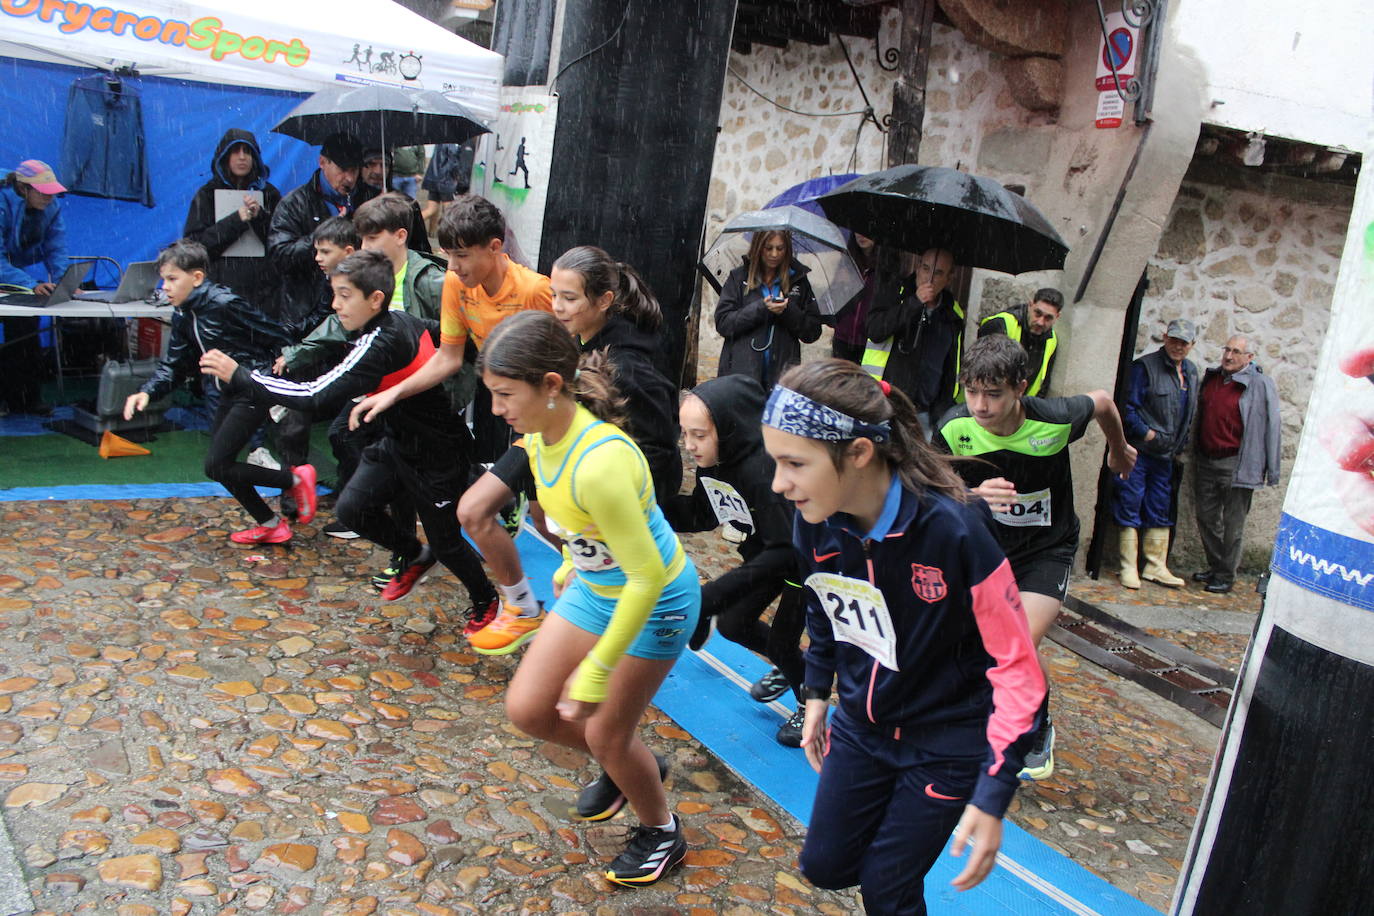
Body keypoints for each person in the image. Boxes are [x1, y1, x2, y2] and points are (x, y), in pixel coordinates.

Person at [761, 358, 1045, 914]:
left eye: (794, 462)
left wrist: (992, 797)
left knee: (886, 887)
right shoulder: (813, 516)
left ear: (860, 453)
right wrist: (817, 691)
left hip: (945, 744)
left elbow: (1019, 671)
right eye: (775, 461)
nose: (778, 483)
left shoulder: (956, 529)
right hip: (864, 728)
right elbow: (822, 602)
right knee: (823, 867)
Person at [480, 310, 700, 887]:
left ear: (552, 386)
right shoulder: (538, 438)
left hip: (656, 600)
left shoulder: (600, 460)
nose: (498, 408)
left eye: (505, 394)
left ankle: (661, 830)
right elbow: (584, 530)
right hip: (599, 588)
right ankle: (634, 767)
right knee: (528, 709)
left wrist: (599, 669)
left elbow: (647, 577)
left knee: (604, 730)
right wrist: (572, 563)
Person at [199, 250, 500, 624]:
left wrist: (242, 376)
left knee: (447, 543)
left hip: (438, 455)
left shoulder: (381, 341)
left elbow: (315, 395)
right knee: (351, 510)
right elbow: (444, 335)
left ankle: (486, 599)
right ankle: (414, 554)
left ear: (375, 299)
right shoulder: (397, 322)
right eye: (334, 294)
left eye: (344, 295)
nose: (334, 304)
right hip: (397, 443)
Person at [460, 246, 681, 654]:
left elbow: (658, 451)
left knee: (538, 518)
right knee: (481, 511)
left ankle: (599, 600)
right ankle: (528, 606)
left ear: (604, 301)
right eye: (555, 294)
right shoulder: (578, 338)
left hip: (587, 460)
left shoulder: (630, 365)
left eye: (569, 297)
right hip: (545, 439)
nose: (557, 307)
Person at [936, 335, 1135, 780]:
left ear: (1019, 388)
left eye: (993, 394)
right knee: (976, 644)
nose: (980, 405)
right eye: (972, 391)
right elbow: (928, 486)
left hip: (1047, 549)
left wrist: (1118, 449)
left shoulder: (1056, 420)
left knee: (1016, 643)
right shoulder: (954, 428)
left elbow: (1102, 401)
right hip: (989, 551)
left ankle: (1036, 726)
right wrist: (970, 494)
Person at [123, 240, 309, 544]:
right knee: (217, 467)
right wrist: (147, 391)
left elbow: (275, 333)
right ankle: (272, 522)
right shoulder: (183, 314)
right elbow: (174, 365)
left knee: (218, 464)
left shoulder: (224, 303)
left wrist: (266, 374)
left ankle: (294, 480)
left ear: (196, 278)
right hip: (226, 391)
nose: (165, 287)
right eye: (163, 280)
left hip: (252, 387)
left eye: (172, 279)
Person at [350, 194, 552, 465]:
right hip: (494, 399)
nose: (453, 267)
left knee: (531, 496)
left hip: (539, 408)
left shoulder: (534, 290)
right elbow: (448, 358)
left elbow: (564, 363)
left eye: (462, 255)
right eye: (449, 256)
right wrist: (393, 393)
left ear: (495, 247)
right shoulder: (456, 283)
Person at [665, 374, 808, 747]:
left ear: (729, 429)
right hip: (767, 553)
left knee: (781, 641)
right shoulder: (715, 463)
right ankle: (797, 666)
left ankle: (810, 700)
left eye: (699, 435)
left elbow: (787, 549)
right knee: (733, 625)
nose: (689, 445)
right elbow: (703, 513)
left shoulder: (763, 472)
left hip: (805, 565)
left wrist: (713, 594)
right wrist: (649, 509)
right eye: (685, 433)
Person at [1192, 334, 1281, 594]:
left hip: (1237, 463)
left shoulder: (1261, 384)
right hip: (1207, 460)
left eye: (1236, 352)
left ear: (1249, 357)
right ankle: (1217, 565)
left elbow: (1273, 427)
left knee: (1233, 525)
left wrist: (1271, 470)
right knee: (1207, 518)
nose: (1229, 356)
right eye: (1227, 349)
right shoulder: (1214, 377)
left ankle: (1225, 575)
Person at [1115, 318, 1200, 589]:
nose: (1178, 346)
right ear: (1165, 337)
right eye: (1174, 340)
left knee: (1160, 507)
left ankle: (1155, 565)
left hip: (1166, 456)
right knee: (1130, 502)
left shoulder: (1191, 371)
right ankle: (1128, 566)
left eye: (1183, 343)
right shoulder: (1145, 367)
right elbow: (1127, 408)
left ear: (1191, 345)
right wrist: (1146, 433)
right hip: (1140, 453)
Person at [862, 247, 964, 439]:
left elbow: (952, 366)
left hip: (924, 413)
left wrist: (943, 411)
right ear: (917, 267)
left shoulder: (953, 313)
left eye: (939, 273)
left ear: (949, 278)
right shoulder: (896, 291)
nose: (930, 278)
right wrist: (914, 302)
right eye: (926, 268)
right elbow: (875, 330)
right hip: (885, 402)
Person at [268, 132, 365, 328]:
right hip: (304, 313)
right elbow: (280, 256)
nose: (349, 178)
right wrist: (325, 236)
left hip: (356, 310)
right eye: (342, 169)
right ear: (322, 162)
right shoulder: (294, 203)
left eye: (354, 171)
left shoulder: (367, 200)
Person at [182, 129, 282, 313]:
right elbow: (194, 247)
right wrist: (236, 221)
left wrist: (260, 217)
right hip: (220, 293)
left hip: (263, 296)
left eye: (247, 151)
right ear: (225, 156)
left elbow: (280, 244)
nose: (242, 157)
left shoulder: (270, 194)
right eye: (236, 151)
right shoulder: (206, 195)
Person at [0, 159, 69, 416]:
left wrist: (64, 282)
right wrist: (30, 284)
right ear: (23, 188)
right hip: (8, 271)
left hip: (10, 275)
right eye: (42, 191)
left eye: (52, 191)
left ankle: (26, 397)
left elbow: (56, 246)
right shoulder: (2, 202)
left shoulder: (52, 207)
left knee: (25, 326)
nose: (49, 197)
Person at [715, 229, 822, 388]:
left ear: (787, 250)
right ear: (758, 248)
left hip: (782, 377)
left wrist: (787, 311)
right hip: (741, 375)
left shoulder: (798, 281)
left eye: (780, 248)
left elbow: (812, 332)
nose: (774, 254)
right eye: (768, 248)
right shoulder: (738, 278)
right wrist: (762, 308)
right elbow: (724, 323)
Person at [977, 287, 1063, 397]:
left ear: (1057, 317)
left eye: (1048, 318)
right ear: (1030, 305)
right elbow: (982, 372)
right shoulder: (1002, 324)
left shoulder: (1051, 340)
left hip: (1021, 407)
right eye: (1037, 313)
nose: (1041, 322)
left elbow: (1044, 384)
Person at [359, 148, 431, 254]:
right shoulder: (351, 201)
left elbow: (421, 248)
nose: (378, 171)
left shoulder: (407, 204)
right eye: (371, 164)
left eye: (384, 165)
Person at [828, 233, 879, 364]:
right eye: (857, 230)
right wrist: (840, 285)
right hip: (842, 340)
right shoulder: (846, 263)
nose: (861, 235)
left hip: (869, 343)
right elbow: (830, 309)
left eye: (866, 230)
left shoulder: (884, 269)